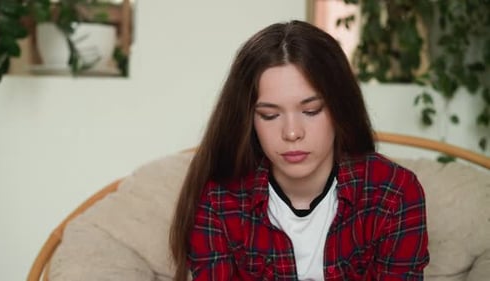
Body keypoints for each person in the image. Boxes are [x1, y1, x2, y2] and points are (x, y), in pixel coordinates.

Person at [169, 20, 429, 281]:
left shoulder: (394, 193)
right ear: (249, 119)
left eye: (311, 111)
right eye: (269, 115)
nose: (292, 133)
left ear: (340, 108)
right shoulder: (219, 198)